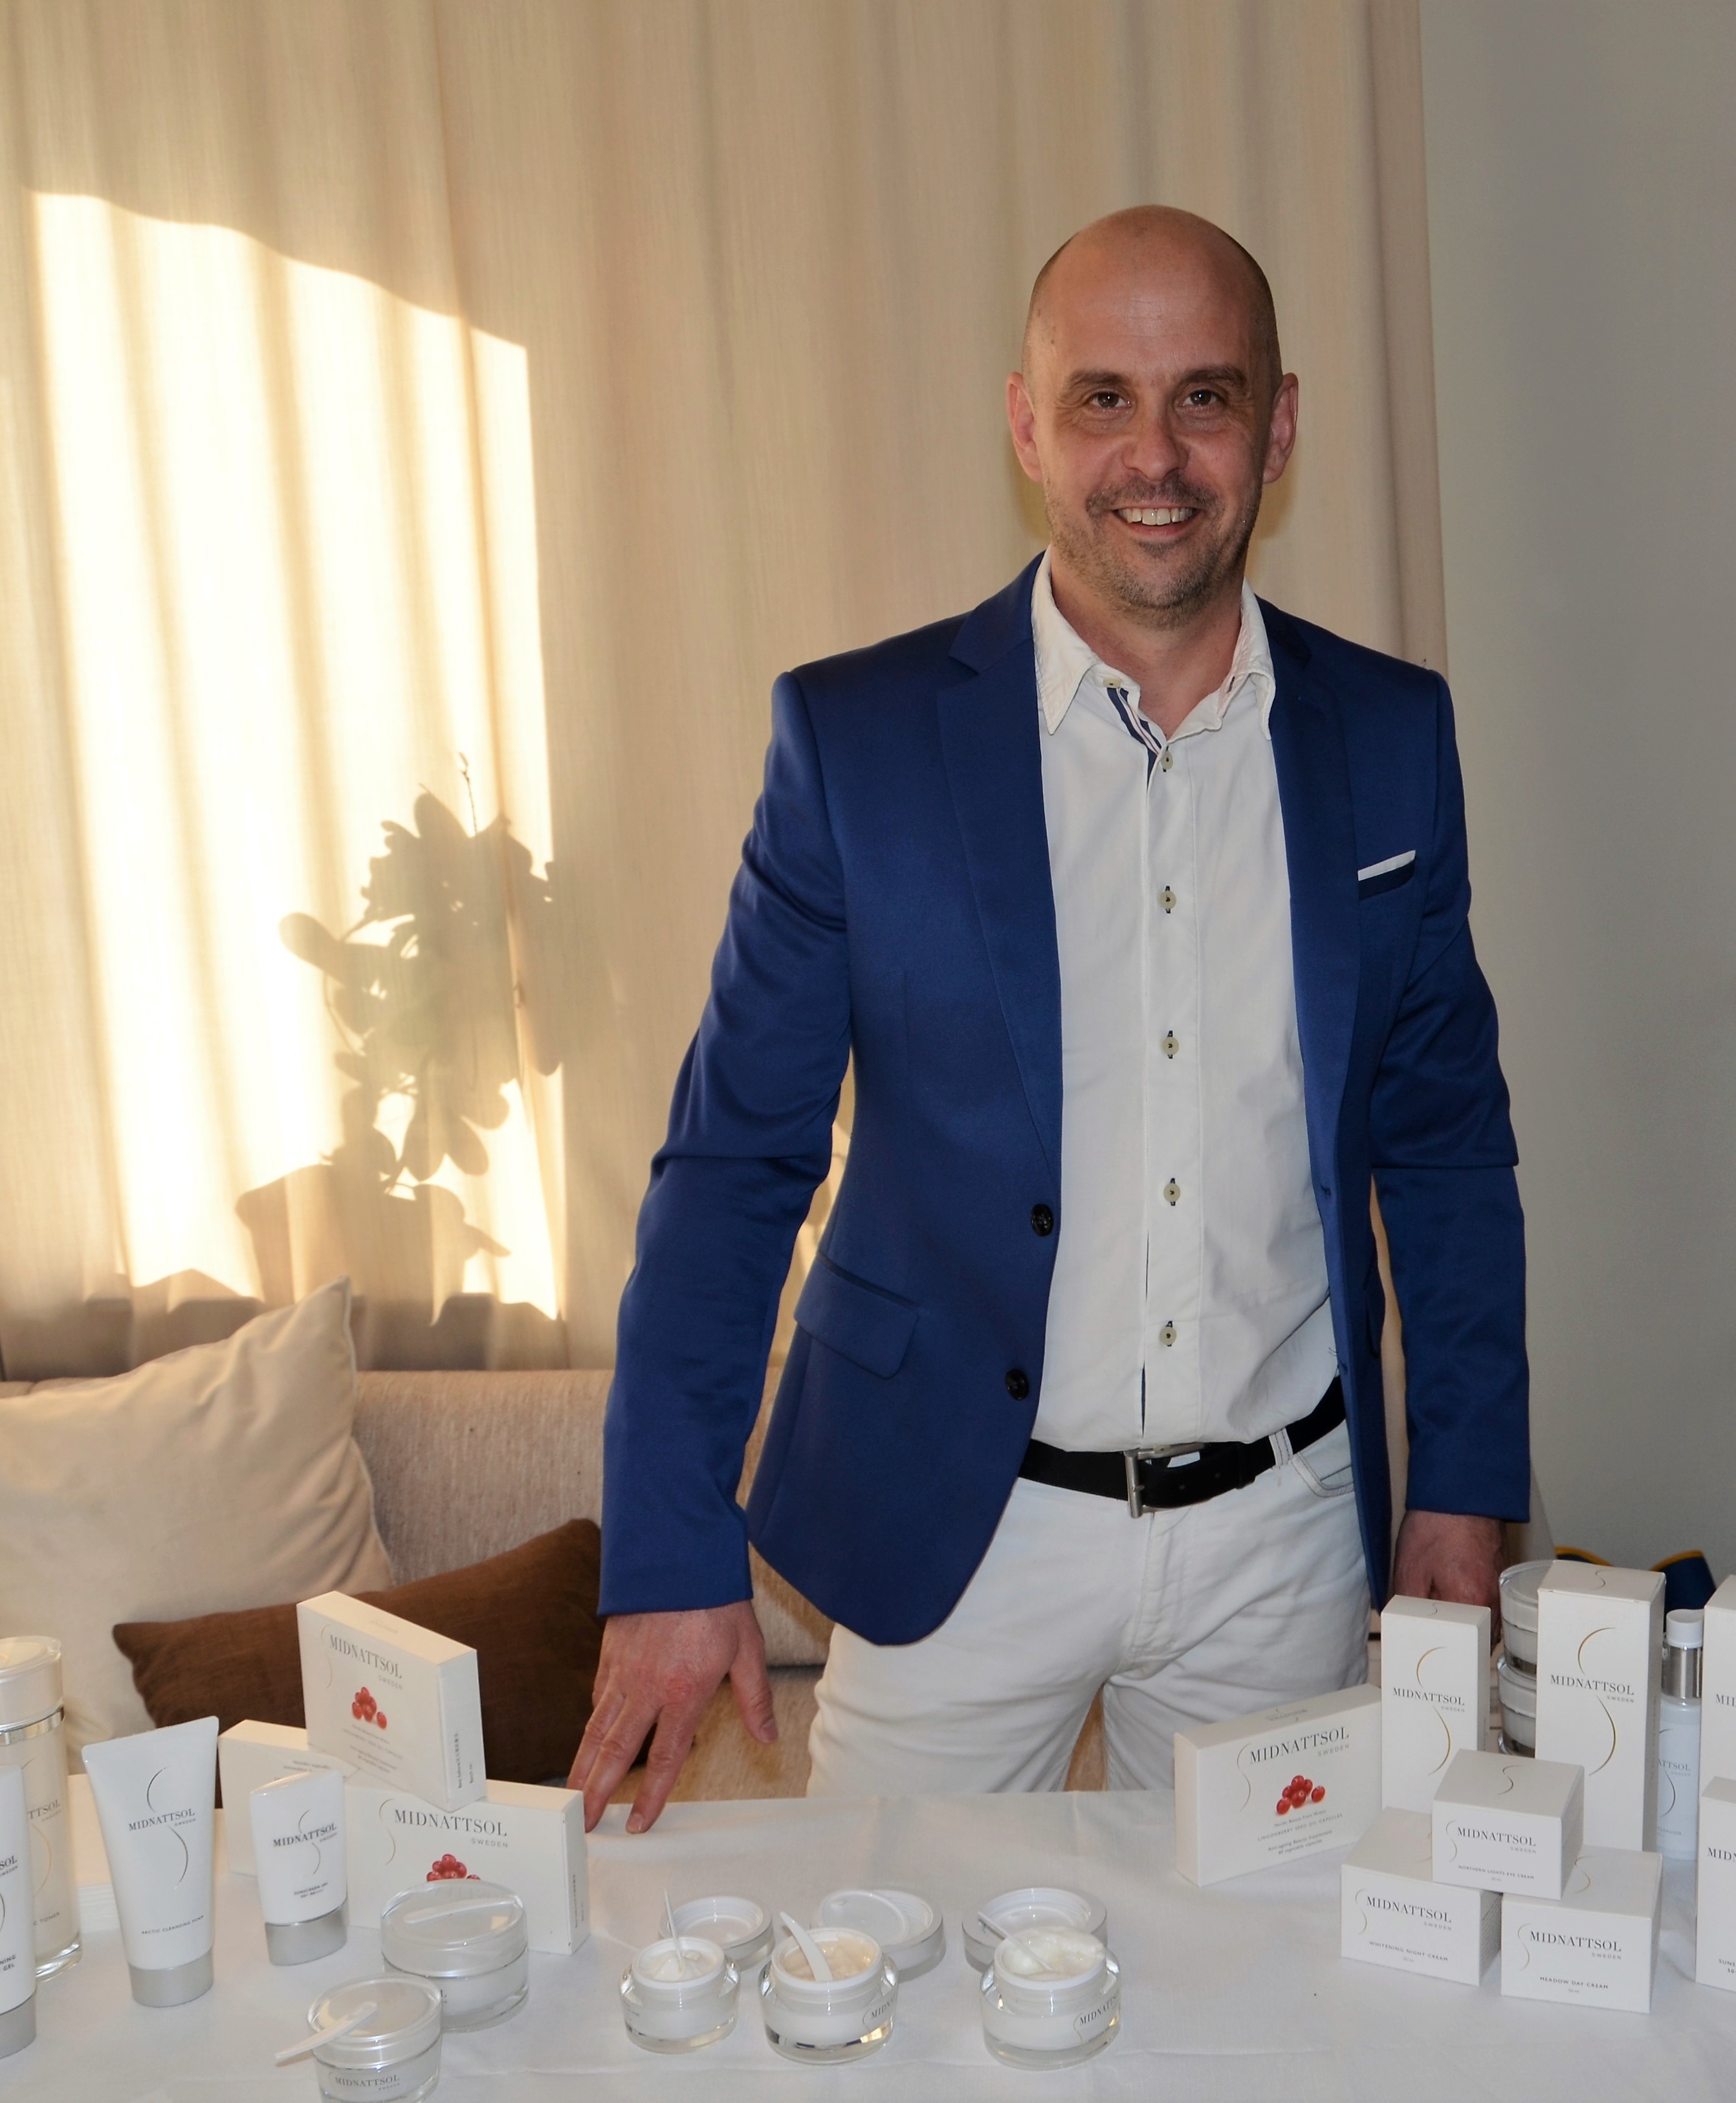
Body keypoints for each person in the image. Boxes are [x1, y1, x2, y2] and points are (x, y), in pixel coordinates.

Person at [570, 205, 1528, 1834]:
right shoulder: (857, 744)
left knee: (1261, 1978)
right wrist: (668, 1546)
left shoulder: (1391, 736)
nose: (1152, 455)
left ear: (1277, 426)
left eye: (1204, 396)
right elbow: (735, 1164)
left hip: (1279, 1541)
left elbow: (1441, 1142)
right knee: (885, 1966)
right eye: (1101, 399)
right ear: (1026, 425)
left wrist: (1463, 1479)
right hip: (960, 1531)